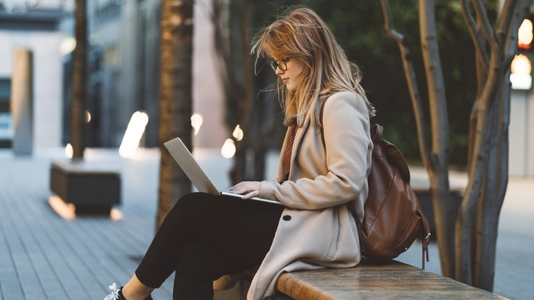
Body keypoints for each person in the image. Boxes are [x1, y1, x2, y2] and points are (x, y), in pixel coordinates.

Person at [104, 6, 375, 300]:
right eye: (275, 62)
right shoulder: (306, 109)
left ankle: (130, 296)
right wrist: (263, 193)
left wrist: (268, 190)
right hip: (298, 223)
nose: (279, 70)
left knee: (192, 208)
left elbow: (346, 183)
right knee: (195, 256)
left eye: (285, 59)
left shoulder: (341, 103)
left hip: (326, 234)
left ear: (311, 54)